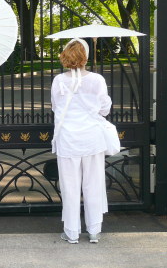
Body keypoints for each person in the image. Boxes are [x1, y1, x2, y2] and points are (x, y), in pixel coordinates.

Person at [51, 38, 111, 244]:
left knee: (70, 186)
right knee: (93, 184)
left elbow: (55, 107)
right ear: (85, 56)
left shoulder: (59, 81)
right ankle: (94, 230)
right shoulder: (97, 80)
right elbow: (105, 109)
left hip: (68, 139)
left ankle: (72, 231)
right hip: (92, 138)